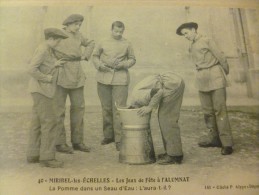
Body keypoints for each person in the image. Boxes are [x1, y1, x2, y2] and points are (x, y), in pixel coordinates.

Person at [176, 22, 233, 155]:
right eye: (183, 35)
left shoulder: (207, 40)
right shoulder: (191, 45)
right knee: (207, 111)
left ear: (193, 29)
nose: (185, 36)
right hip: (201, 78)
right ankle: (214, 139)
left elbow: (221, 56)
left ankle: (227, 143)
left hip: (215, 76)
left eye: (186, 33)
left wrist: (222, 74)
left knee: (220, 110)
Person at [27, 28, 68, 168]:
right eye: (57, 40)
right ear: (50, 39)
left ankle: (33, 154)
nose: (58, 43)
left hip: (39, 90)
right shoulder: (44, 49)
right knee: (49, 122)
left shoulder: (46, 49)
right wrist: (46, 78)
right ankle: (47, 157)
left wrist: (54, 64)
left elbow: (43, 65)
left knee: (37, 123)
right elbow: (31, 69)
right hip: (42, 91)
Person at [53, 14, 95, 154]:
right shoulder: (58, 35)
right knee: (58, 110)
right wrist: (54, 62)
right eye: (76, 24)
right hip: (62, 73)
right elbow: (48, 49)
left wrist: (85, 55)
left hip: (77, 74)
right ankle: (59, 143)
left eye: (80, 25)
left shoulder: (79, 35)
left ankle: (78, 141)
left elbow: (91, 43)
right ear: (68, 24)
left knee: (78, 108)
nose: (78, 27)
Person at [92, 21, 136, 151]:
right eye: (116, 31)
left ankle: (119, 139)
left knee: (118, 109)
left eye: (120, 32)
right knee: (106, 108)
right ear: (111, 29)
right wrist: (100, 66)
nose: (118, 34)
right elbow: (95, 56)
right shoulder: (102, 42)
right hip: (103, 78)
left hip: (120, 79)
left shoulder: (127, 43)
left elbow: (133, 59)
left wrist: (123, 64)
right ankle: (108, 136)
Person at [130, 72, 185, 165]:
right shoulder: (137, 97)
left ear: (135, 107)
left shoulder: (139, 98)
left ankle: (175, 156)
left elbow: (158, 92)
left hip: (172, 85)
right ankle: (171, 152)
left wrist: (149, 107)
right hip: (173, 83)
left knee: (166, 119)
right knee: (164, 118)